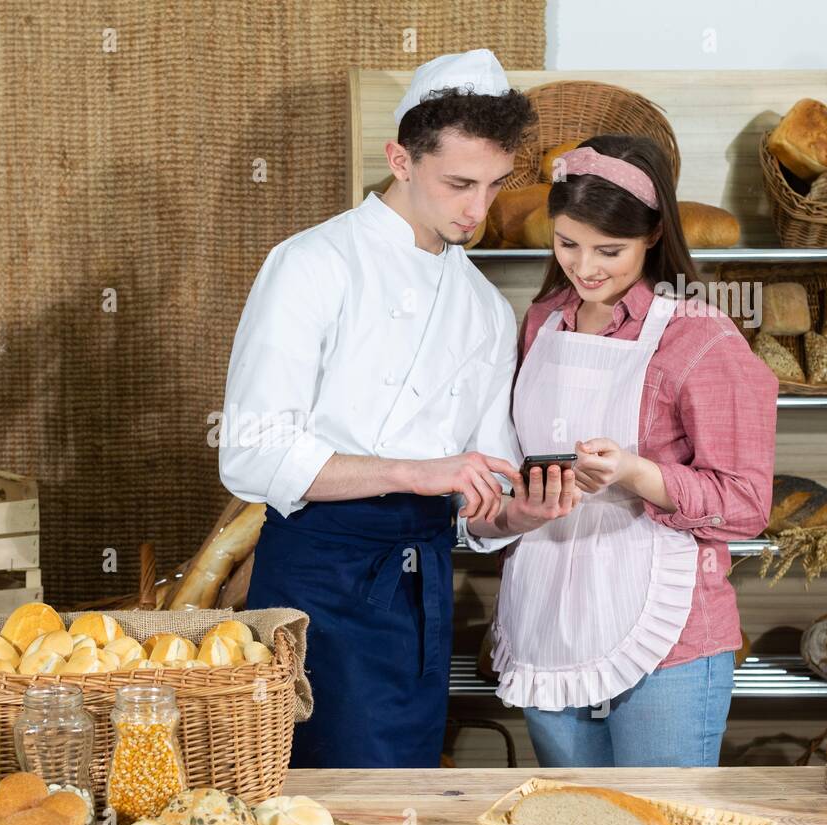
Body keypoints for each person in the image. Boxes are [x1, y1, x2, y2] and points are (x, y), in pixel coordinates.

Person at [219, 50, 581, 768]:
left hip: (421, 593)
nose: (478, 210)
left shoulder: (481, 307)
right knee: (312, 806)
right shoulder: (312, 265)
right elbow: (252, 453)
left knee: (401, 797)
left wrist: (519, 513)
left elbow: (476, 501)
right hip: (318, 577)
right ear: (400, 158)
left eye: (494, 184)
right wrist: (416, 471)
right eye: (458, 184)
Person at [491, 134, 778, 767]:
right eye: (567, 244)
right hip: (548, 613)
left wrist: (635, 472)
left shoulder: (700, 336)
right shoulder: (543, 320)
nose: (585, 267)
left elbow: (749, 503)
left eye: (609, 250)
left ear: (652, 237)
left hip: (666, 632)